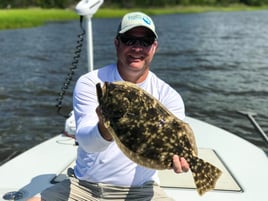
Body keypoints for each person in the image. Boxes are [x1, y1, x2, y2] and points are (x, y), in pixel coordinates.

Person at [28, 11, 189, 201]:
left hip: (141, 191)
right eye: (129, 40)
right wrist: (104, 127)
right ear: (117, 43)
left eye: (145, 41)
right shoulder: (93, 83)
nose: (137, 48)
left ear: (154, 47)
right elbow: (87, 143)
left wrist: (177, 159)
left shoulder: (169, 96)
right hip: (85, 187)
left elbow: (175, 139)